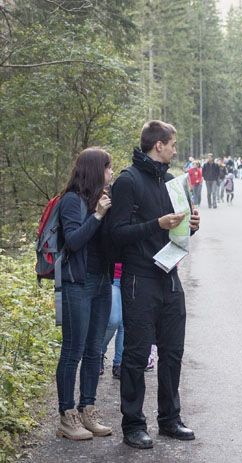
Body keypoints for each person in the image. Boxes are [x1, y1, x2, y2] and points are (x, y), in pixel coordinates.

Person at [109, 120, 200, 450]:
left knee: (173, 351)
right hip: (139, 277)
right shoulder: (127, 182)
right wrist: (155, 224)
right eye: (172, 144)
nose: (176, 149)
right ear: (157, 145)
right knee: (135, 355)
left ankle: (170, 419)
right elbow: (115, 234)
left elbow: (175, 233)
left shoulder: (174, 183)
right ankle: (133, 424)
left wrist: (191, 226)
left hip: (170, 276)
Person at [55, 147, 114, 441]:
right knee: (73, 350)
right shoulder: (71, 201)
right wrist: (98, 216)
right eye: (107, 167)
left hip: (103, 283)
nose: (111, 172)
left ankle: (87, 408)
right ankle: (67, 416)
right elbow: (74, 242)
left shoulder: (102, 200)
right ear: (94, 170)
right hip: (78, 284)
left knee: (95, 350)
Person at [100, 262, 124, 380]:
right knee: (114, 319)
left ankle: (119, 363)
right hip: (114, 277)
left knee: (125, 324)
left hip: (134, 276)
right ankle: (99, 351)